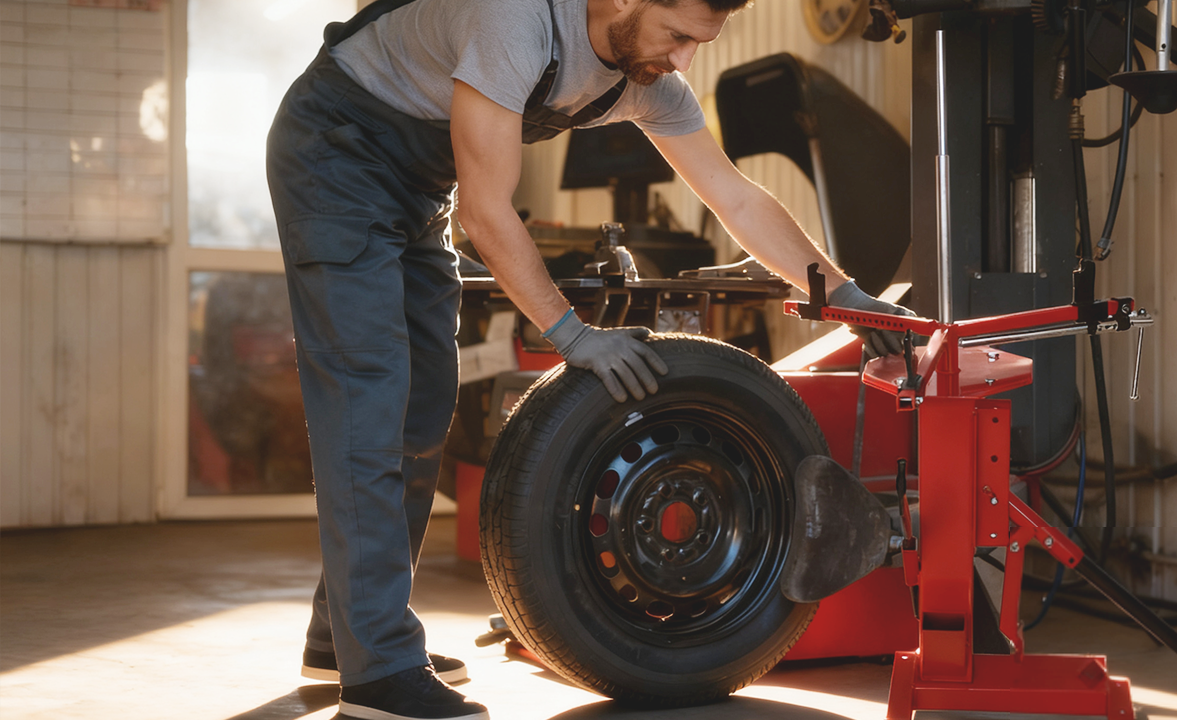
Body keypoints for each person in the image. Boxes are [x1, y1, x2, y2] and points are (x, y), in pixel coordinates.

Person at [266, 0, 913, 718]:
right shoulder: (513, 20)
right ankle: (378, 671)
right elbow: (486, 213)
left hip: (419, 188)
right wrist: (572, 336)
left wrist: (849, 293)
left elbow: (735, 197)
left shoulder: (646, 81)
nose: (683, 61)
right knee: (369, 400)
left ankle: (342, 636)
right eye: (677, 36)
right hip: (336, 152)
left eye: (700, 43)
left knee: (419, 411)